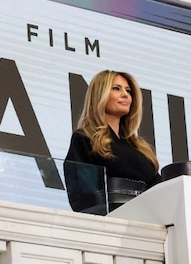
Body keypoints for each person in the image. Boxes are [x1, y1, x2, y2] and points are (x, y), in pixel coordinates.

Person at [64, 70, 161, 213]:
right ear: (99, 95)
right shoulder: (85, 138)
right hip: (109, 220)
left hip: (147, 220)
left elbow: (160, 191)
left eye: (128, 91)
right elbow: (83, 195)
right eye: (116, 88)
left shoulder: (141, 148)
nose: (125, 94)